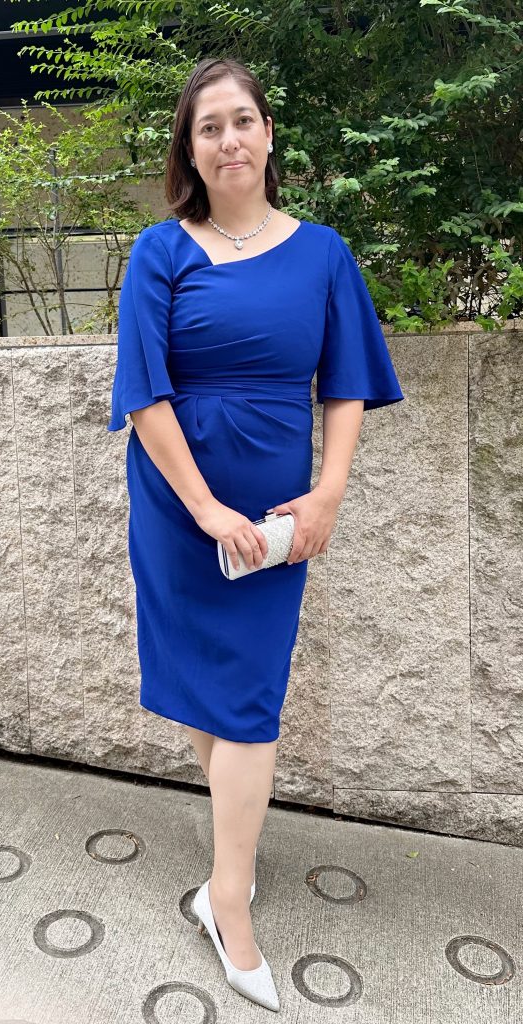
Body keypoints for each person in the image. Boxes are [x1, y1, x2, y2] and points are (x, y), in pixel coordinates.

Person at [107, 56, 404, 1011]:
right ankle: (226, 884)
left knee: (248, 700)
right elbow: (143, 393)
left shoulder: (324, 254)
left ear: (269, 134)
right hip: (178, 506)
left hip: (278, 516)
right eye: (209, 127)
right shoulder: (161, 251)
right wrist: (205, 508)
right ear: (189, 151)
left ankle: (225, 895)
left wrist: (328, 496)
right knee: (213, 692)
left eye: (242, 120)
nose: (228, 139)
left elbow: (347, 383)